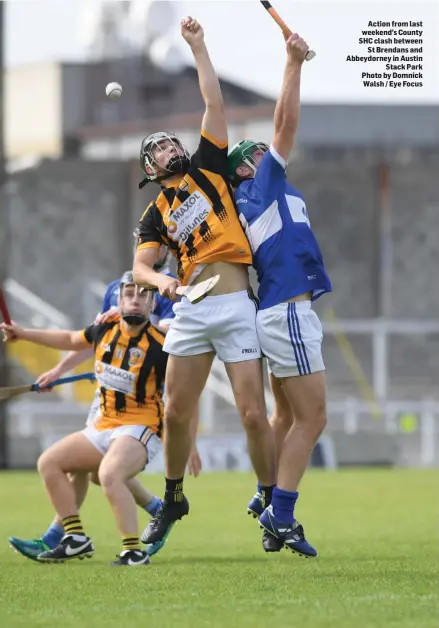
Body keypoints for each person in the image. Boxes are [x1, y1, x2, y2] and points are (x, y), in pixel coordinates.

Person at [133, 16, 276, 546]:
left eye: (173, 142)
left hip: (235, 301)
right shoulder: (155, 211)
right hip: (191, 308)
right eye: (161, 148)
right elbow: (141, 268)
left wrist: (198, 47)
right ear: (150, 166)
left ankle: (269, 497)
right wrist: (163, 286)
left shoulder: (209, 165)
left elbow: (214, 103)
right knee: (176, 410)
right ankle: (172, 497)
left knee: (251, 414)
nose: (172, 147)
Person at [227, 33, 332, 557]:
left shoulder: (263, 192)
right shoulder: (260, 185)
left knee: (287, 417)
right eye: (260, 155)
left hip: (279, 308)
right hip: (288, 308)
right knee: (314, 419)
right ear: (248, 167)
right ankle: (282, 512)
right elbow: (285, 124)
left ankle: (268, 495)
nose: (271, 154)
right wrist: (292, 63)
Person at [2, 272, 170, 566]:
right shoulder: (103, 330)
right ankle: (74, 537)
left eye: (143, 296)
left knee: (108, 474)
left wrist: (186, 440)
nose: (135, 300)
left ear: (152, 304)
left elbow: (185, 391)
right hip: (104, 424)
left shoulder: (162, 345)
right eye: (129, 295)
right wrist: (23, 332)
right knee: (49, 462)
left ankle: (133, 551)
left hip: (140, 427)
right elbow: (69, 339)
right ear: (118, 301)